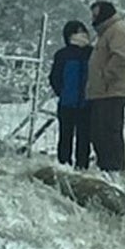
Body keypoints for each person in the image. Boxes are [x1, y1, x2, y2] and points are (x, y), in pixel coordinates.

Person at [85, 0, 125, 172]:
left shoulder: (117, 30)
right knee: (99, 133)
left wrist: (105, 76)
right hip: (103, 92)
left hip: (111, 91)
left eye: (95, 15)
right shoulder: (106, 32)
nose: (93, 19)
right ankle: (107, 168)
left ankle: (114, 171)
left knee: (109, 134)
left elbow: (121, 58)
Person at [48, 20, 92, 169]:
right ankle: (64, 165)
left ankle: (82, 167)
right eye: (77, 32)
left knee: (84, 139)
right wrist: (63, 92)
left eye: (82, 31)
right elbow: (55, 77)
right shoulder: (62, 55)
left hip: (86, 104)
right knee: (65, 137)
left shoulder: (91, 54)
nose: (81, 35)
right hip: (67, 103)